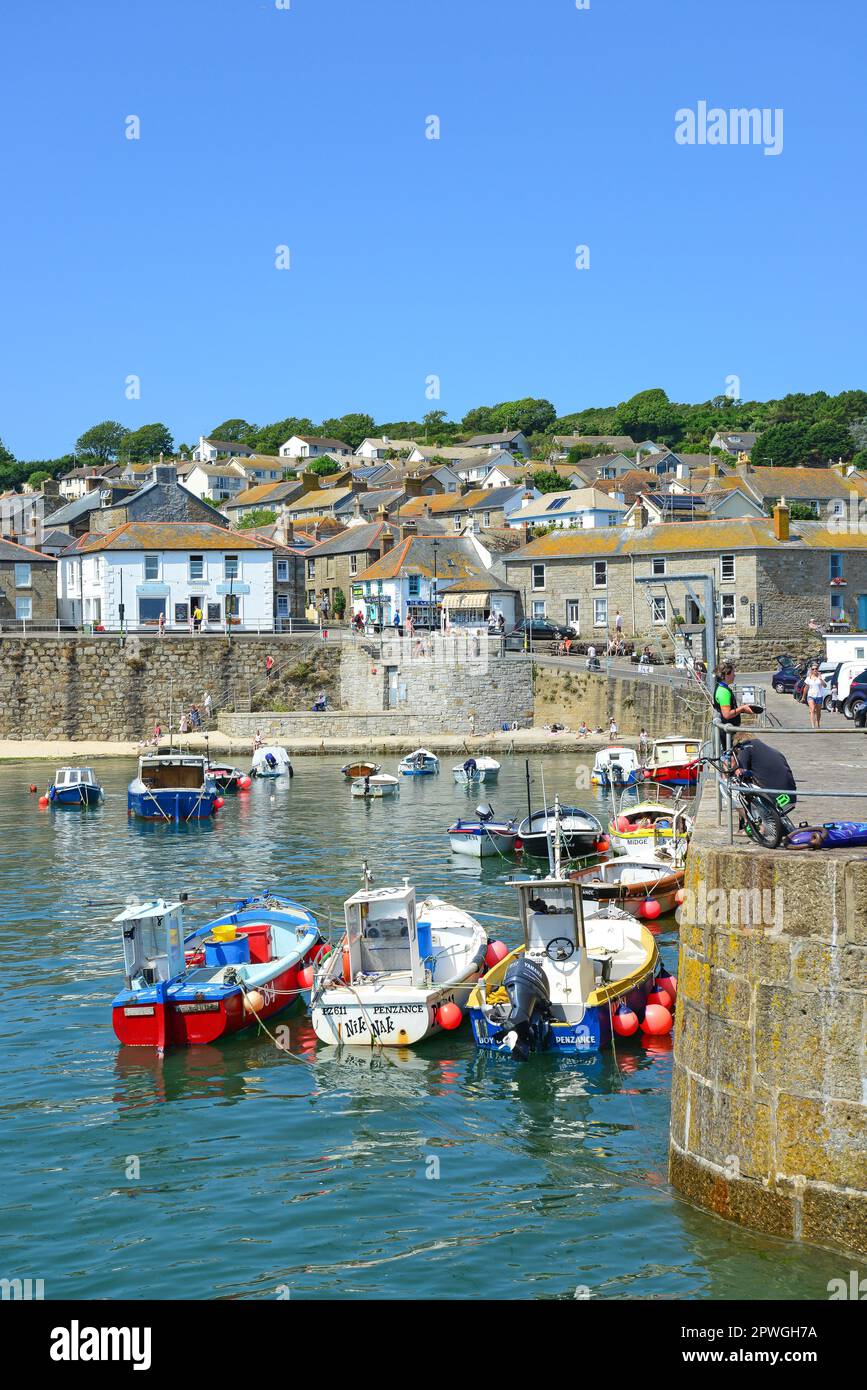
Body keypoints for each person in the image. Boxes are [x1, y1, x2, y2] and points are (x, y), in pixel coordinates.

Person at [729, 732, 797, 817]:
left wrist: (729, 766)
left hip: (775, 798)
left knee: (731, 788)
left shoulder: (745, 747)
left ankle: (751, 825)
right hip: (789, 796)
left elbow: (740, 773)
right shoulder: (767, 749)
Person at [713, 661, 753, 732]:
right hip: (728, 731)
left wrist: (742, 710)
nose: (734, 675)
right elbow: (727, 714)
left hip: (728, 728)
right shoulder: (723, 691)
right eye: (733, 673)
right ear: (726, 675)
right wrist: (742, 708)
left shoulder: (720, 687)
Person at [801, 662, 828, 730]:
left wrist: (821, 679)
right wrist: (803, 697)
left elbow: (825, 685)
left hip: (819, 696)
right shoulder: (808, 678)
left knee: (818, 711)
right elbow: (806, 688)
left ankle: (818, 723)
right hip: (811, 696)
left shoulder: (820, 677)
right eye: (813, 669)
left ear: (817, 669)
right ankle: (813, 726)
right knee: (812, 710)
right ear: (811, 670)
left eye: (816, 669)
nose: (814, 670)